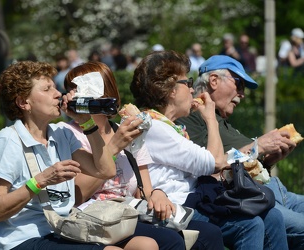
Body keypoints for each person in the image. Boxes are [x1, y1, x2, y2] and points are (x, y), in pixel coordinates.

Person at [0, 60, 161, 250]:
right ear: (23, 102)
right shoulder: (8, 140)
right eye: (46, 89)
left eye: (55, 87)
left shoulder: (61, 134)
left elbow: (105, 170)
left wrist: (86, 122)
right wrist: (40, 180)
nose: (57, 94)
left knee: (146, 245)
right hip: (22, 239)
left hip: (61, 230)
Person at [130, 51, 289, 250]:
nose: (191, 89)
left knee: (272, 216)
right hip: (178, 206)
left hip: (196, 198)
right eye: (186, 83)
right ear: (171, 90)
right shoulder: (155, 127)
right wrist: (211, 119)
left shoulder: (169, 127)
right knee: (250, 226)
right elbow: (215, 161)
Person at [56, 61, 191, 250]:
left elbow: (144, 191)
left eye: (83, 89)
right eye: (72, 90)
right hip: (93, 217)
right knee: (170, 242)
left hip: (127, 212)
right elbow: (77, 197)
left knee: (206, 233)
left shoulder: (125, 130)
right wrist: (113, 147)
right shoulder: (68, 133)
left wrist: (159, 194)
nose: (76, 96)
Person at [177, 55, 303, 250]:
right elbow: (210, 166)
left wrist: (269, 161)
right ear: (214, 81)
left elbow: (241, 166)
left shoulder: (222, 119)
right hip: (250, 198)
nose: (242, 94)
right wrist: (257, 147)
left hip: (272, 190)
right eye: (239, 84)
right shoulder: (194, 115)